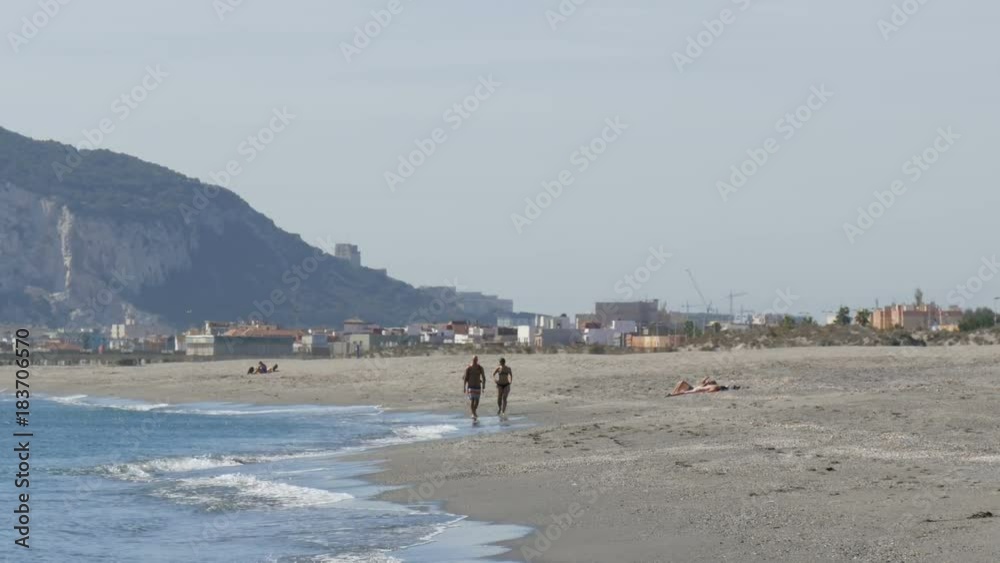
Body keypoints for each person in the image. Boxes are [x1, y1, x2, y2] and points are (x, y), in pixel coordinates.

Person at [463, 355, 486, 421]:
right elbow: (465, 378)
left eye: (476, 359)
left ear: (477, 360)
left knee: (477, 401)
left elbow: (483, 377)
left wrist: (483, 385)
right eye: (474, 360)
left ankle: (474, 411)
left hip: (478, 386)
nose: (475, 361)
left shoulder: (480, 368)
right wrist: (464, 387)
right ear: (472, 360)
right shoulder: (469, 368)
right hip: (471, 386)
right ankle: (473, 413)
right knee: (472, 400)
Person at [669, 377, 738, 397]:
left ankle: (673, 393)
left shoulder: (711, 386)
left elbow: (710, 392)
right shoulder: (705, 385)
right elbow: (702, 382)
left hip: (693, 390)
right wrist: (705, 380)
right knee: (681, 382)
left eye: (709, 381)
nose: (708, 381)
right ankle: (674, 392)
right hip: (693, 389)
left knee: (682, 386)